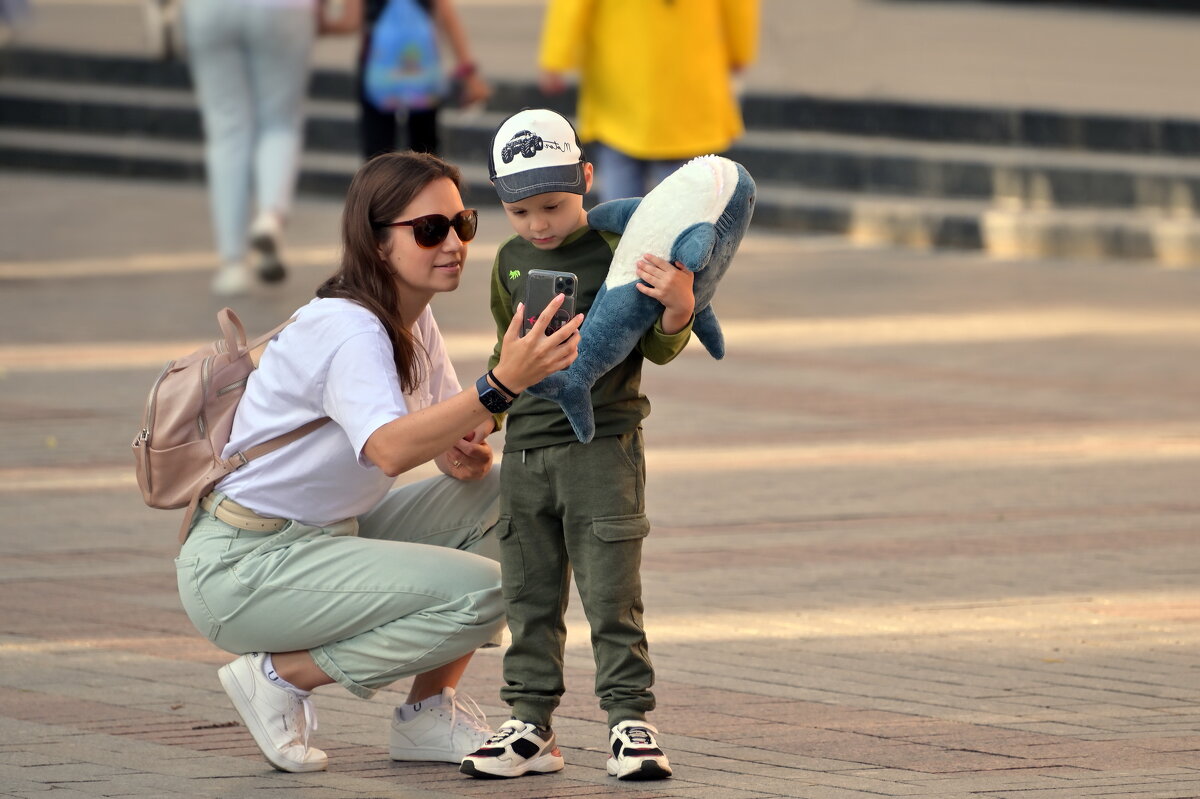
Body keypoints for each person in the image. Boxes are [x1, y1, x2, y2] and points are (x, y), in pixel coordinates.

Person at [174, 151, 583, 774]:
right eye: (428, 230)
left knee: (523, 495)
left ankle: (426, 717)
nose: (452, 244)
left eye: (462, 224)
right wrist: (502, 381)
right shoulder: (350, 329)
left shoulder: (415, 320)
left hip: (330, 534)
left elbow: (447, 447)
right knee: (498, 588)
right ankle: (280, 678)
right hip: (244, 566)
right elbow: (389, 447)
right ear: (375, 240)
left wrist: (466, 451)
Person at [459, 109, 695, 781]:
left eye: (554, 205)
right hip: (526, 457)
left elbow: (658, 344)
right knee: (528, 598)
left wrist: (678, 303)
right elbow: (507, 351)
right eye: (521, 209)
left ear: (587, 179)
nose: (539, 223)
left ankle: (632, 722)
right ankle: (529, 724)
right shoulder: (508, 261)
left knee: (611, 596)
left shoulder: (622, 247)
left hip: (603, 450)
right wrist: (487, 419)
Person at [182, 0, 337, 295]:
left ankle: (233, 264)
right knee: (279, 122)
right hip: (285, 9)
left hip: (208, 10)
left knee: (226, 128)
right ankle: (270, 216)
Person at [537, 0, 759, 204]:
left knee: (621, 211)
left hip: (621, 83)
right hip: (687, 84)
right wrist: (740, 52)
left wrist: (556, 58)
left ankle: (623, 244)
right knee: (682, 211)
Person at [353, 0, 491, 159]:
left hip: (378, 75)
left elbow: (350, 21)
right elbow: (447, 16)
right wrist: (469, 74)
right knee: (425, 154)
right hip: (422, 76)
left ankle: (379, 183)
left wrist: (320, 24)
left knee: (378, 153)